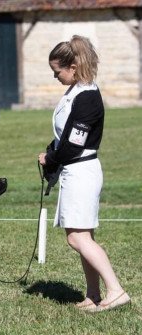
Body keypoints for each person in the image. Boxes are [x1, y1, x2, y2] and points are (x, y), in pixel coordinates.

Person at [38, 35, 130, 312]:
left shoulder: (87, 97)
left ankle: (116, 290)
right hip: (74, 170)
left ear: (73, 67)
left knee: (77, 238)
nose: (56, 77)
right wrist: (52, 154)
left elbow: (73, 143)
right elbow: (64, 136)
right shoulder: (77, 91)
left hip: (82, 170)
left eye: (58, 72)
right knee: (83, 236)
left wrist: (50, 158)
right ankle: (93, 294)